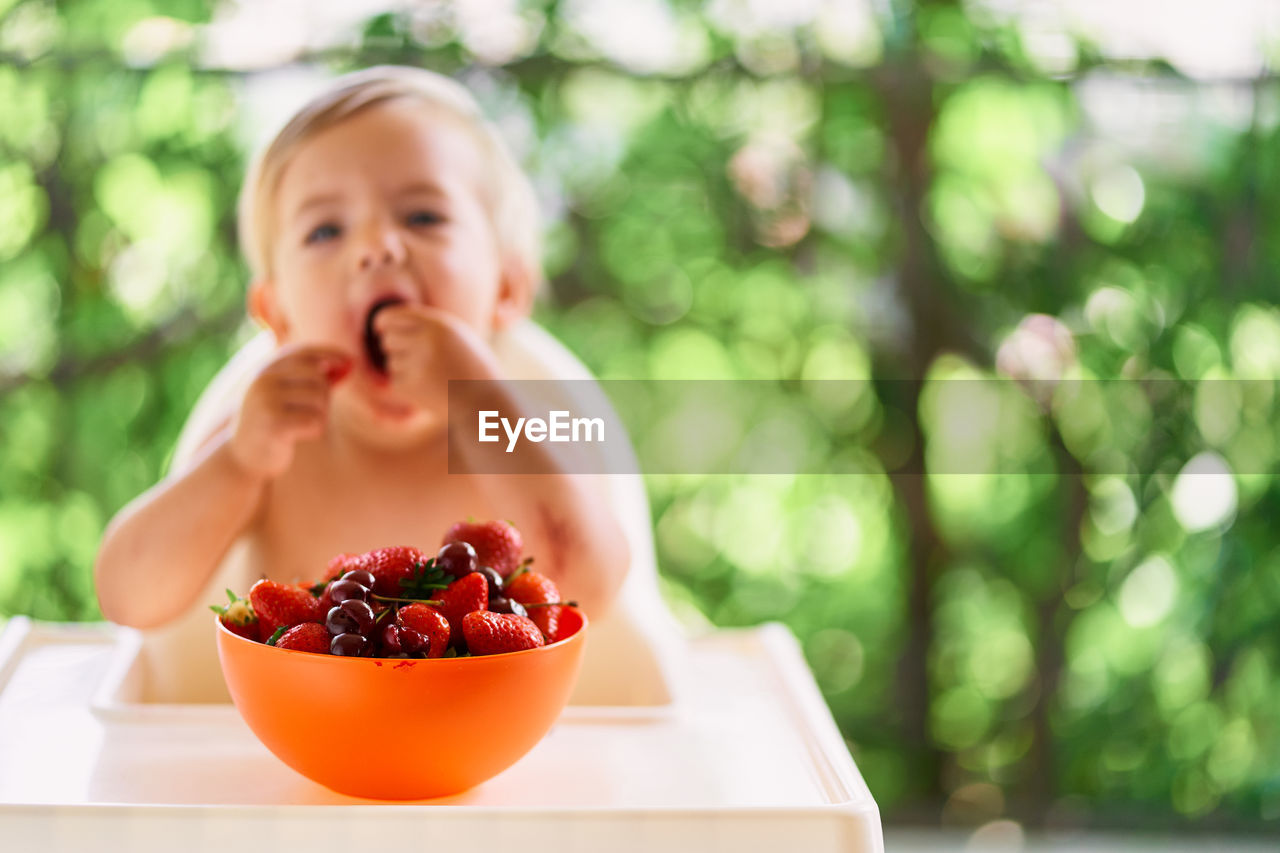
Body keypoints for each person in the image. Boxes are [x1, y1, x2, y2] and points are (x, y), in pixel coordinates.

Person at [93, 66, 637, 699]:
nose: (377, 246)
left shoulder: (523, 424)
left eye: (423, 216)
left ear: (506, 289)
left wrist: (481, 402)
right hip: (308, 754)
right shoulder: (267, 436)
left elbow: (590, 587)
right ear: (279, 317)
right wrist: (237, 460)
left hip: (490, 753)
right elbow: (127, 597)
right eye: (326, 230)